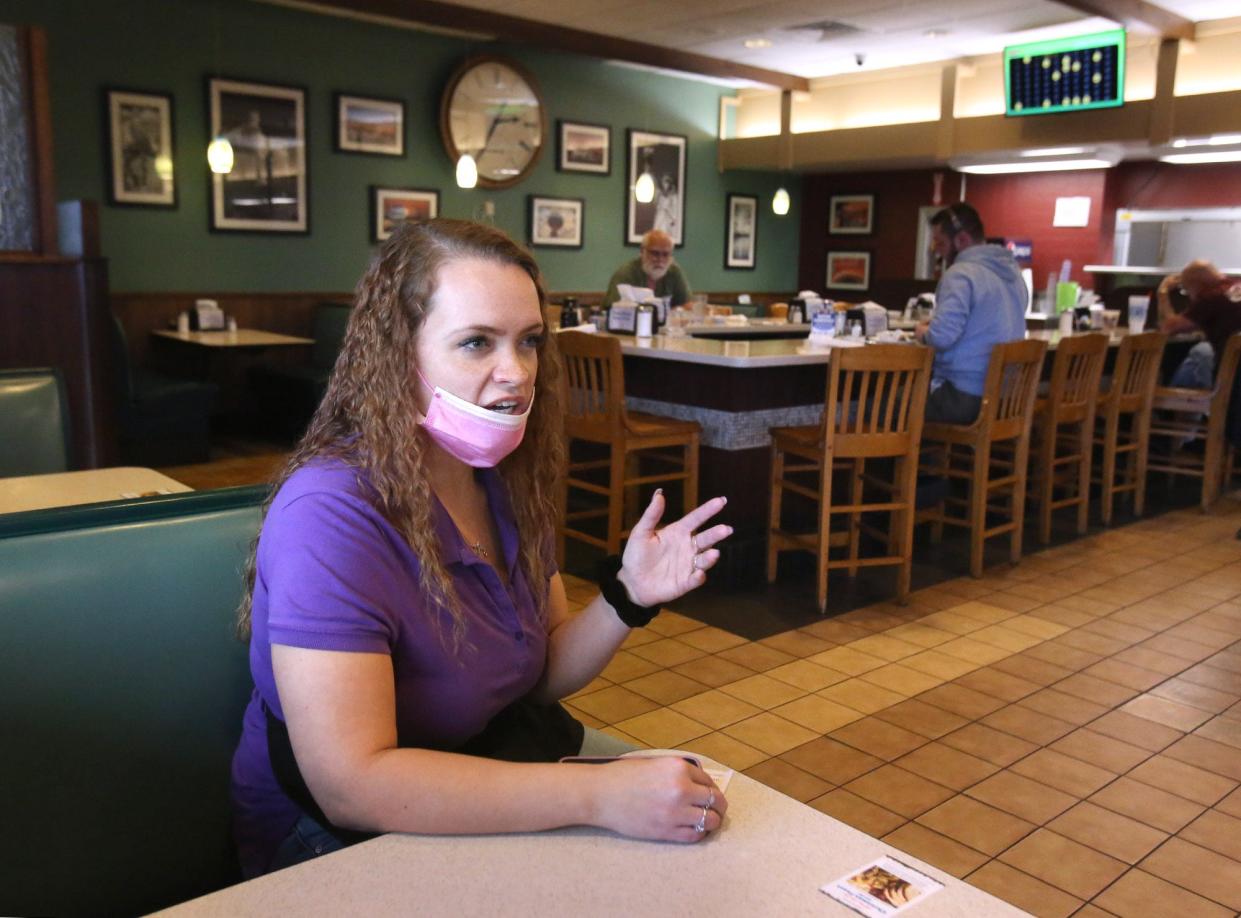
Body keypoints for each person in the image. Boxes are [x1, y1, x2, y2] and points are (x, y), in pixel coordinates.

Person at [230, 219, 732, 878]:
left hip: (483, 763)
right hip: (323, 842)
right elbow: (349, 786)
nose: (517, 374)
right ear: (395, 354)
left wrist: (626, 597)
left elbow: (539, 673)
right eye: (476, 343)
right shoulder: (330, 512)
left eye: (529, 343)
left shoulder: (506, 479)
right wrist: (602, 794)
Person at [914, 203, 1027, 424]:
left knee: (878, 409)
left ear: (962, 240)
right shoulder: (1013, 273)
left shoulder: (960, 274)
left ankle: (921, 460)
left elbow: (942, 337)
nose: (936, 249)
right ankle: (936, 458)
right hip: (1005, 399)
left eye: (940, 242)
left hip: (964, 398)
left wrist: (923, 332)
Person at [1158, 259, 1241, 389]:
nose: (1189, 296)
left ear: (1196, 285)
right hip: (1235, 378)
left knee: (1197, 356)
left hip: (1231, 381)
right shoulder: (1233, 289)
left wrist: (1162, 293)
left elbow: (1169, 327)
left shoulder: (1210, 298)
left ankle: (1171, 402)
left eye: (1186, 290)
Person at [602, 229, 692, 310]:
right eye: (655, 253)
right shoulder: (626, 274)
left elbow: (688, 305)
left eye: (665, 254)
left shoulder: (674, 272)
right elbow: (614, 309)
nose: (660, 259)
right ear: (642, 251)